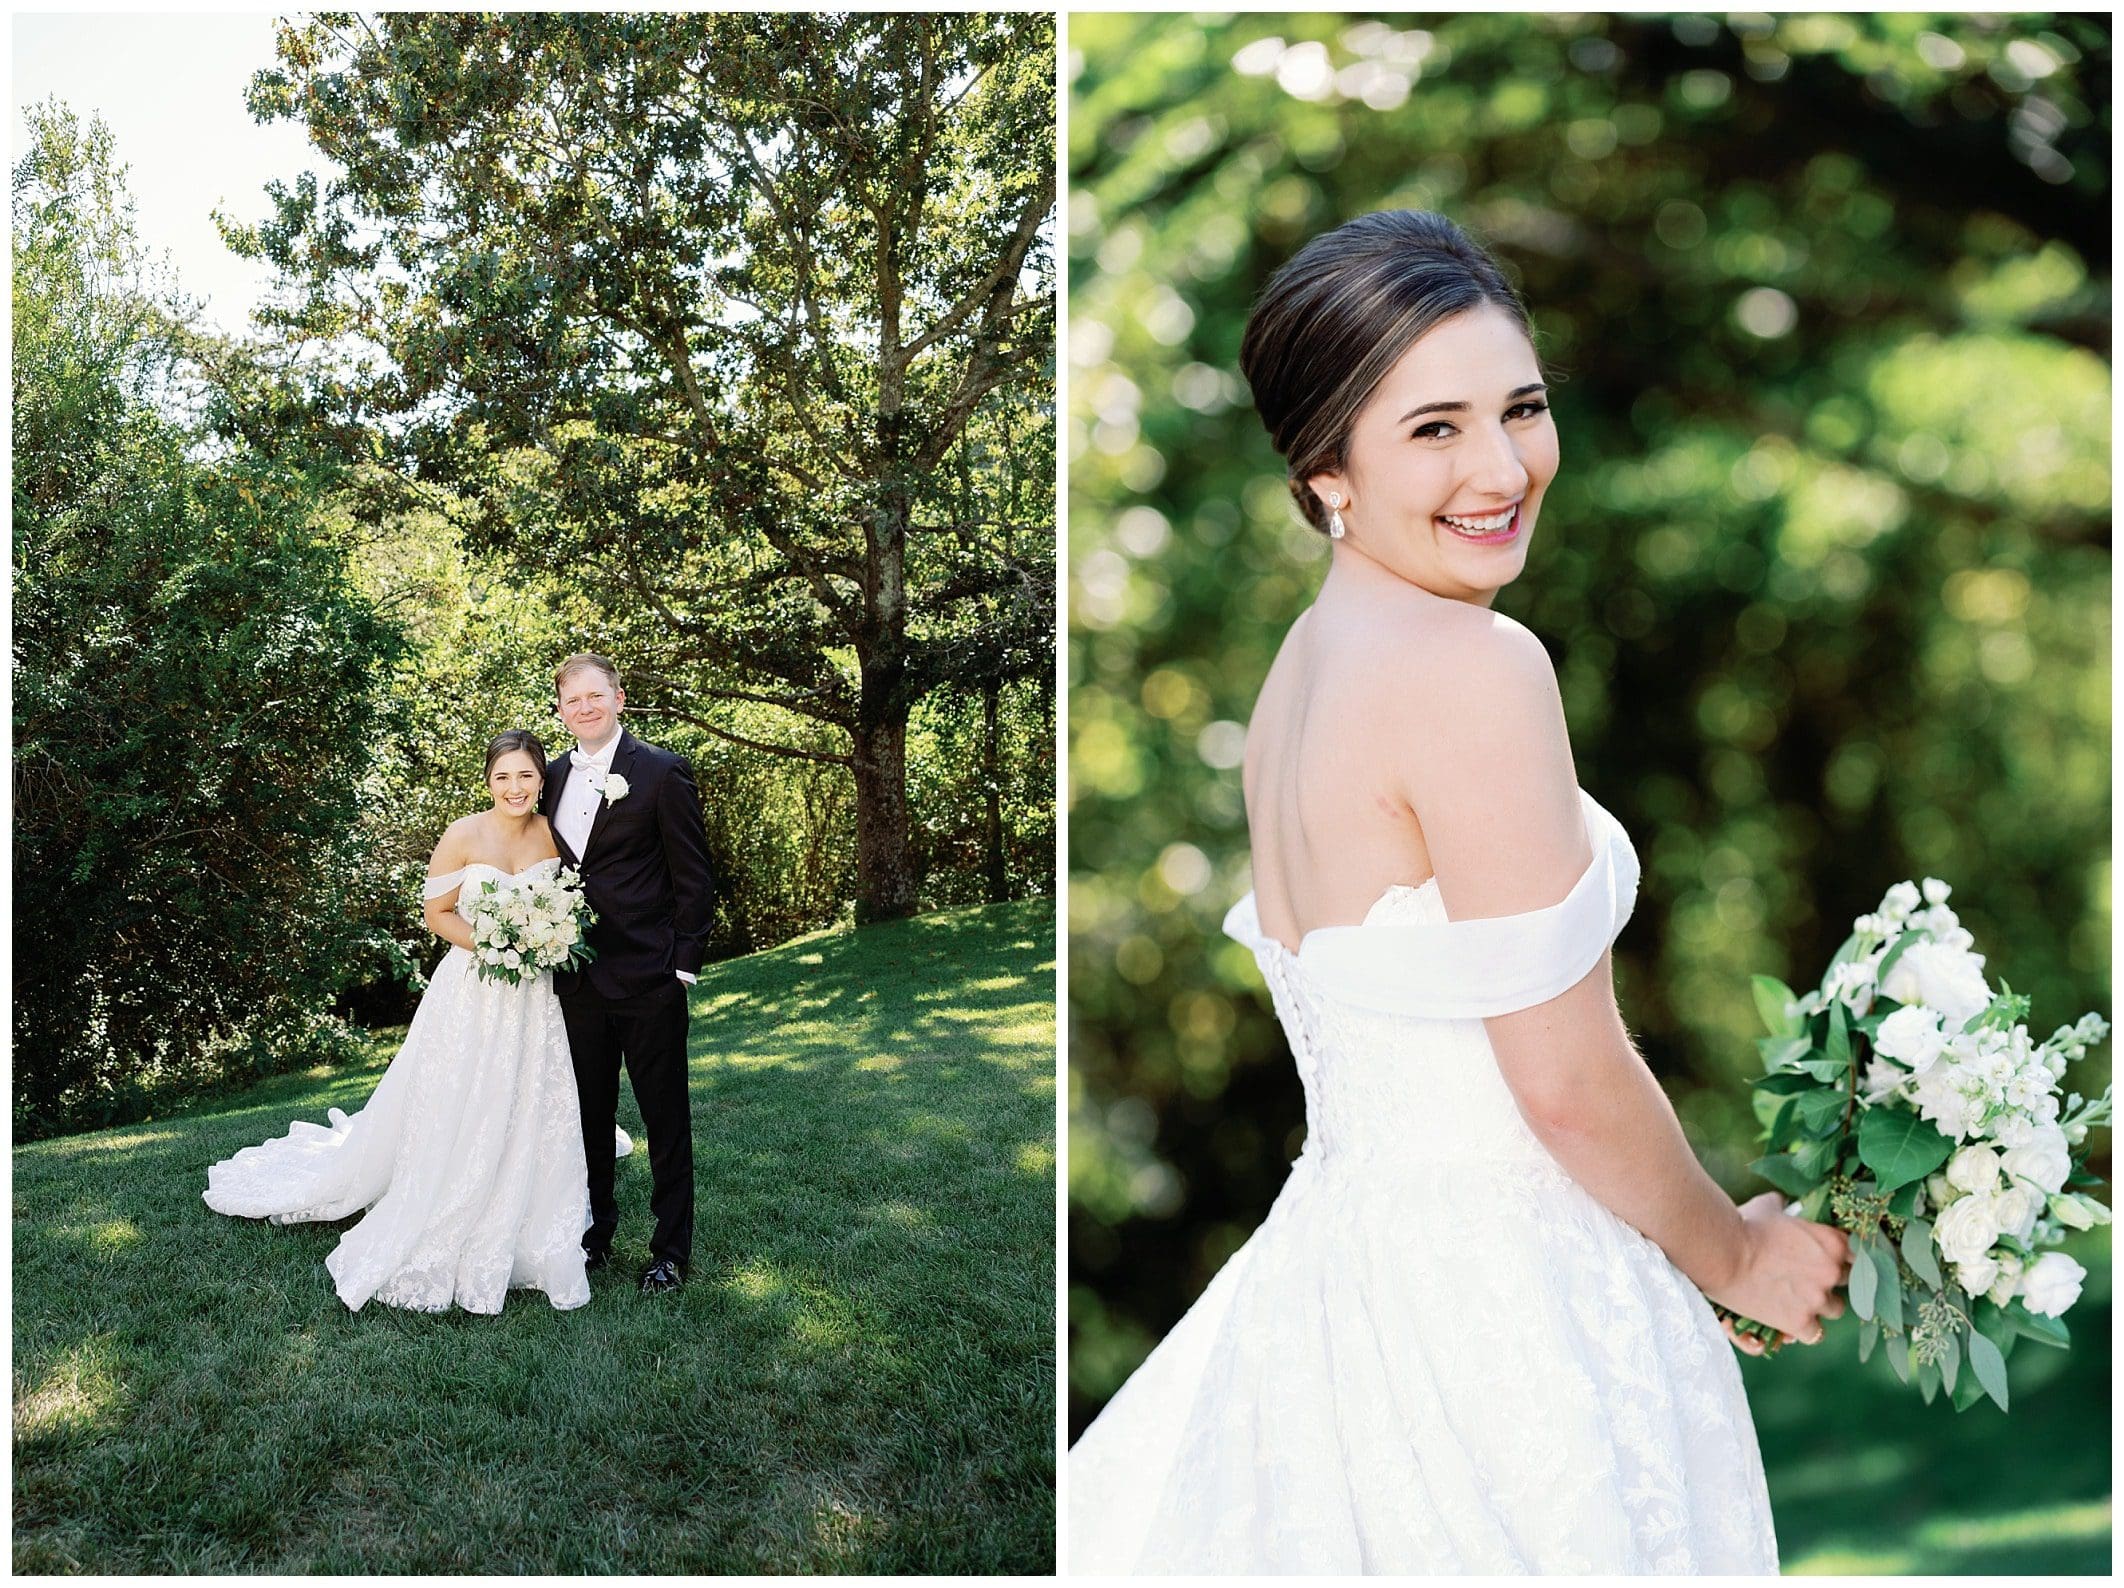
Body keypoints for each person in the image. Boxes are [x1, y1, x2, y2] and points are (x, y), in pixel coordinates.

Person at [1068, 210, 1851, 1573]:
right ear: (1327, 472)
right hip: (1506, 1320)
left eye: (1522, 409)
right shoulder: (1476, 669)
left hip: (1334, 1297)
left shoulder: (1297, 681)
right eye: (1434, 429)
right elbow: (1560, 1078)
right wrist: (1735, 1256)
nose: (1501, 467)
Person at [204, 731, 591, 1314]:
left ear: (542, 779)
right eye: (502, 777)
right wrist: (498, 944)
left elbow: (565, 907)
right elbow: (436, 915)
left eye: (526, 776)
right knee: (458, 1097)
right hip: (473, 990)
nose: (515, 788)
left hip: (533, 996)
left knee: (525, 1094)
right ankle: (448, 1188)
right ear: (488, 780)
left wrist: (540, 942)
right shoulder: (462, 834)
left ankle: (526, 1205)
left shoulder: (551, 836)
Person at [540, 653, 714, 1295]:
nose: (583, 708)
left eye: (594, 696)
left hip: (649, 978)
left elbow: (694, 879)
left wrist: (683, 968)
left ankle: (670, 1251)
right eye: (571, 700)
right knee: (586, 1116)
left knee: (665, 1119)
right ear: (560, 708)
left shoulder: (663, 772)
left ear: (618, 698)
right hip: (575, 981)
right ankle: (595, 1237)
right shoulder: (550, 779)